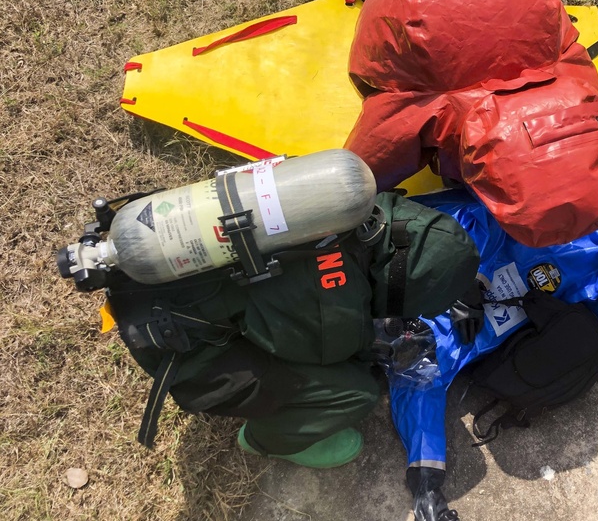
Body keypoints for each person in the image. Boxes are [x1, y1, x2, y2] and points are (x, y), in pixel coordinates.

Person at [104, 192, 481, 473]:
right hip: (169, 339)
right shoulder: (334, 316)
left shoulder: (350, 200)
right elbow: (334, 346)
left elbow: (413, 251)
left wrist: (458, 277)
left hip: (149, 259)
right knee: (357, 391)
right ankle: (267, 439)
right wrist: (373, 343)